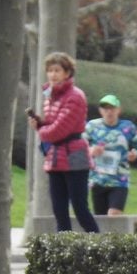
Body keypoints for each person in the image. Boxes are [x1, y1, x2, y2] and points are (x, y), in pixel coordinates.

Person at [27, 52, 99, 233]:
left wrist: (41, 131)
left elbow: (59, 129)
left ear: (67, 73)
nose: (52, 74)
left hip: (75, 155)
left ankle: (100, 243)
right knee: (59, 209)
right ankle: (63, 248)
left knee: (80, 208)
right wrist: (41, 124)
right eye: (50, 70)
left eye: (57, 70)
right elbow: (52, 126)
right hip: (56, 156)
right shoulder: (50, 96)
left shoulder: (75, 96)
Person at [85, 94, 137, 217]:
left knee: (114, 215)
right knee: (101, 220)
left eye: (112, 108)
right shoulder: (92, 126)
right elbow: (78, 147)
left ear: (119, 110)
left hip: (120, 181)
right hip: (98, 180)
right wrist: (91, 150)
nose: (109, 112)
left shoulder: (128, 127)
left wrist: (136, 154)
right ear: (100, 110)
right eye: (105, 108)